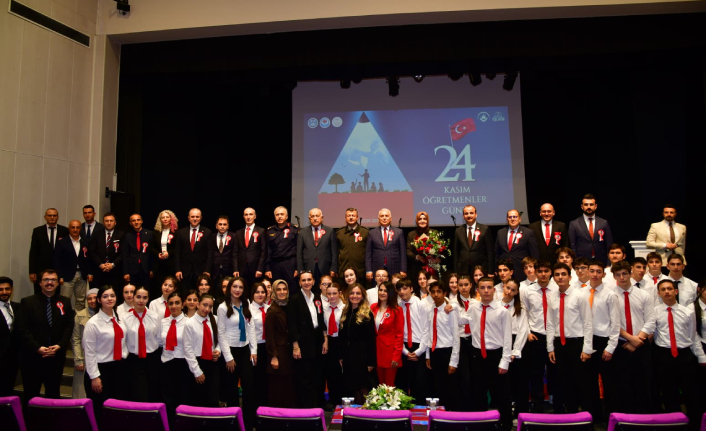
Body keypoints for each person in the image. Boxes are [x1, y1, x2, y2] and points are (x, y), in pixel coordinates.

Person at [15, 269, 74, 404]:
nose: (49, 283)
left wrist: (60, 345)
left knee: (53, 394)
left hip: (55, 356)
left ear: (58, 283)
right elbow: (22, 329)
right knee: (31, 395)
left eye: (53, 280)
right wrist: (37, 348)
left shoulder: (65, 302)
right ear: (40, 283)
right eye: (46, 280)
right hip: (32, 357)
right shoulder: (27, 302)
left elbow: (69, 326)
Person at [652, 280, 705, 428]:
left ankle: (695, 424)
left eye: (670, 288)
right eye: (663, 289)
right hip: (663, 355)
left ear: (676, 291)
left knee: (691, 391)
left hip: (684, 355)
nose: (667, 292)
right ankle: (673, 424)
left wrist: (701, 356)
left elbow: (693, 336)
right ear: (659, 293)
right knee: (669, 392)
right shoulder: (654, 312)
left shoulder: (688, 312)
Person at [546, 263, 593, 414]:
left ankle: (581, 416)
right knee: (561, 381)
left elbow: (587, 323)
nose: (560, 277)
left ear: (569, 277)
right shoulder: (552, 297)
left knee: (579, 382)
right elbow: (550, 324)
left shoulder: (580, 296)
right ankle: (562, 414)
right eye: (557, 274)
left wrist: (587, 348)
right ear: (554, 278)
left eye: (563, 274)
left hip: (576, 343)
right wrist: (550, 347)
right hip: (559, 344)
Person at [612, 260, 655, 414]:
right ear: (614, 276)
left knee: (643, 382)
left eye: (624, 273)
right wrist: (630, 339)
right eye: (618, 274)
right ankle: (626, 417)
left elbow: (650, 320)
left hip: (641, 343)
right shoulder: (610, 296)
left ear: (630, 273)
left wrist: (638, 340)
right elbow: (611, 323)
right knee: (623, 383)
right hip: (621, 344)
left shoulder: (643, 294)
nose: (622, 277)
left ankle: (644, 416)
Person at [469, 277, 512, 430]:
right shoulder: (473, 308)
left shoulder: (502, 311)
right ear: (478, 290)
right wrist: (451, 307)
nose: (486, 291)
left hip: (496, 356)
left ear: (494, 290)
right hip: (477, 356)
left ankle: (506, 425)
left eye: (489, 287)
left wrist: (505, 361)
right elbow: (463, 320)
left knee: (501, 394)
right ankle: (480, 424)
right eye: (482, 288)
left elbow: (507, 338)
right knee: (478, 392)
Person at [83, 285, 128, 420]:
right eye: (105, 296)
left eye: (112, 296)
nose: (109, 299)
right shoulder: (93, 323)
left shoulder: (120, 319)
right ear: (99, 300)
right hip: (101, 370)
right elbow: (89, 352)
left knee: (117, 411)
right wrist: (94, 376)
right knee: (100, 412)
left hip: (118, 368)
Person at [217, 277, 256, 426]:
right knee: (231, 390)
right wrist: (228, 357)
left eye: (240, 287)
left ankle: (248, 423)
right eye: (235, 287)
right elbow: (221, 333)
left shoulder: (247, 304)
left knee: (249, 387)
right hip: (230, 351)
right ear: (230, 288)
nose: (237, 290)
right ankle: (234, 424)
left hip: (245, 350)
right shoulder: (222, 307)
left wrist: (254, 350)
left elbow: (251, 327)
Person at [584, 260, 620, 422]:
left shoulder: (610, 295)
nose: (595, 274)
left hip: (604, 341)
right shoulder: (581, 293)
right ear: (587, 272)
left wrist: (610, 347)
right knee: (589, 382)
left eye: (598, 272)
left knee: (610, 383)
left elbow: (615, 323)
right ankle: (593, 417)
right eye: (592, 271)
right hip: (587, 341)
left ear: (604, 275)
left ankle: (610, 418)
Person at [519, 260, 557, 412]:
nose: (543, 274)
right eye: (540, 271)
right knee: (536, 373)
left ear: (550, 272)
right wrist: (528, 332)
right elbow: (524, 313)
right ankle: (537, 405)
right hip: (536, 336)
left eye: (546, 271)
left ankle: (557, 404)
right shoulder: (528, 291)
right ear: (535, 272)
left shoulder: (557, 289)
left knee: (556, 372)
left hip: (554, 336)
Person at [287, 271, 328, 408]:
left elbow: (321, 320)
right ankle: (306, 408)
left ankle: (317, 405)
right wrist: (295, 346)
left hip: (317, 341)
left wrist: (325, 339)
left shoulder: (317, 297)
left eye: (309, 279)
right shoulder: (294, 299)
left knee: (317, 375)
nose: (306, 282)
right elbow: (292, 324)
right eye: (303, 280)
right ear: (299, 282)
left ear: (313, 281)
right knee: (305, 377)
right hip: (302, 343)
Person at [424, 280, 460, 411]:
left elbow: (456, 337)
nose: (435, 295)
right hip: (434, 351)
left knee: (450, 388)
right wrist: (428, 355)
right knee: (437, 386)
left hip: (447, 352)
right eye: (433, 292)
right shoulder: (430, 310)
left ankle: (451, 415)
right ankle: (439, 415)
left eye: (438, 292)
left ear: (444, 293)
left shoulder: (450, 310)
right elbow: (429, 333)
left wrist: (454, 361)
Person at [338, 283, 376, 404]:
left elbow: (371, 339)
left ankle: (366, 412)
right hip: (348, 356)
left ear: (362, 296)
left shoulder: (367, 314)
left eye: (358, 293)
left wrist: (371, 362)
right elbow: (342, 337)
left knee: (363, 386)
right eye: (352, 293)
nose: (355, 296)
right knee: (353, 386)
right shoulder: (345, 312)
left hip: (362, 355)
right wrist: (341, 356)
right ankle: (357, 412)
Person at [124, 285, 161, 402]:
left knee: (153, 393)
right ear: (133, 297)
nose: (141, 300)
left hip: (152, 358)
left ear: (148, 299)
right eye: (138, 297)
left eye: (144, 298)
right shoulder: (125, 318)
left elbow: (158, 337)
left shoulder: (154, 316)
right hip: (134, 360)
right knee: (139, 394)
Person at [395, 278, 430, 402]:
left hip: (419, 346)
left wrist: (419, 351)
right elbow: (397, 330)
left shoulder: (421, 304)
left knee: (419, 383)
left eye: (405, 288)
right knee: (403, 381)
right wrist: (404, 351)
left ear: (411, 289)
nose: (402, 292)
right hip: (403, 346)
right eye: (399, 289)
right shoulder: (398, 306)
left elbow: (426, 329)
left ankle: (419, 409)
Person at [499, 279, 530, 416]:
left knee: (520, 382)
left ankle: (520, 413)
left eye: (513, 290)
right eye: (508, 288)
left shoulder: (520, 308)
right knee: (503, 382)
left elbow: (523, 330)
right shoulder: (496, 305)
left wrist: (515, 351)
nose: (509, 292)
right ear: (503, 287)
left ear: (517, 292)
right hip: (500, 343)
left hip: (517, 343)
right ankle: (503, 413)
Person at [184, 294, 221, 408]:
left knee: (213, 399)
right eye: (204, 305)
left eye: (210, 306)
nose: (207, 309)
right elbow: (188, 349)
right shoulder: (190, 323)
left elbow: (221, 339)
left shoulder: (215, 319)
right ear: (198, 304)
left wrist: (218, 350)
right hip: (197, 362)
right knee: (198, 399)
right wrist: (197, 371)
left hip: (212, 362)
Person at [160, 291, 192, 424]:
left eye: (177, 303)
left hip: (183, 364)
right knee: (168, 401)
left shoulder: (189, 322)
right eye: (171, 303)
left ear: (183, 304)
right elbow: (159, 342)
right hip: (166, 364)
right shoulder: (163, 322)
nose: (174, 306)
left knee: (183, 399)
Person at [265, 279, 295, 407]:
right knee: (278, 387)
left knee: (288, 386)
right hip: (279, 353)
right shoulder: (272, 310)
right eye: (278, 289)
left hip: (289, 353)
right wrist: (274, 356)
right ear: (274, 292)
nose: (282, 292)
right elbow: (269, 336)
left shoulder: (289, 307)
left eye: (284, 289)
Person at [54, 219, 92, 310]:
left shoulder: (85, 242)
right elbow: (57, 260)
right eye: (73, 227)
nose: (75, 230)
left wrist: (89, 273)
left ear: (80, 229)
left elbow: (89, 259)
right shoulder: (62, 242)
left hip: (82, 275)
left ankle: (78, 317)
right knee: (65, 299)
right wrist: (60, 276)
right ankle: (64, 317)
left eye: (77, 227)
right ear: (69, 228)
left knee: (81, 300)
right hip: (66, 276)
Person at [29, 208, 69, 294]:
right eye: (49, 215)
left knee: (57, 293)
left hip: (58, 269)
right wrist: (32, 271)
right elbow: (33, 252)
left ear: (57, 217)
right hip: (41, 268)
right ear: (45, 217)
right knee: (39, 293)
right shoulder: (38, 231)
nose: (52, 217)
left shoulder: (64, 231)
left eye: (54, 215)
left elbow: (67, 252)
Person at [297, 208, 338, 290]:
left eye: (317, 216)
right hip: (308, 266)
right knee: (310, 290)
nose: (315, 218)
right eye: (312, 216)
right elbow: (299, 253)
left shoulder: (330, 231)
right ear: (309, 218)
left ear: (322, 217)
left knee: (326, 290)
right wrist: (300, 270)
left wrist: (333, 268)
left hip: (325, 266)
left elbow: (334, 252)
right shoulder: (302, 232)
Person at [371, 281, 403, 386]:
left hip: (389, 353)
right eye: (380, 290)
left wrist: (396, 356)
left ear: (391, 293)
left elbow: (399, 335)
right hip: (375, 352)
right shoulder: (373, 307)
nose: (382, 293)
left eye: (385, 291)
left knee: (389, 386)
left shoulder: (397, 310)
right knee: (378, 385)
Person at [495, 209, 539, 282]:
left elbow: (534, 254)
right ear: (507, 219)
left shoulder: (528, 233)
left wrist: (535, 269)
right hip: (505, 271)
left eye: (515, 217)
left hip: (521, 270)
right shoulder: (500, 232)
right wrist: (496, 269)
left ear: (519, 219)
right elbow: (496, 253)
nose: (512, 219)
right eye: (510, 217)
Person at [568, 194, 613, 264]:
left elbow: (609, 245)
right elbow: (572, 246)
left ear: (595, 206)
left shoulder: (604, 223)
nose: (589, 207)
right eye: (586, 205)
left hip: (601, 260)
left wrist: (609, 263)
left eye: (591, 204)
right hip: (581, 261)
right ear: (582, 206)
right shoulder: (574, 224)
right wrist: (575, 262)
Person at [175, 208, 213, 290]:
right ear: (188, 218)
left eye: (197, 217)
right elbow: (177, 252)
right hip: (184, 271)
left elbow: (210, 253)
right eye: (192, 217)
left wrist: (207, 270)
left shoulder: (207, 232)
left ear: (201, 218)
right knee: (185, 293)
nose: (195, 219)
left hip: (201, 271)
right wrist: (178, 269)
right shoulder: (181, 232)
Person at [366, 208, 407, 281]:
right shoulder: (372, 233)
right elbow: (368, 253)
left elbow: (403, 253)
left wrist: (403, 269)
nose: (384, 218)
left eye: (386, 216)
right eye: (382, 216)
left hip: (395, 267)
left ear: (390, 218)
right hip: (377, 267)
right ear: (378, 219)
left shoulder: (399, 232)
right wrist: (368, 270)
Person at [71, 288, 98, 398]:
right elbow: (76, 339)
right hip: (85, 357)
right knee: (81, 392)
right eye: (89, 299)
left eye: (95, 298)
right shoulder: (80, 315)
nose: (92, 301)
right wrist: (78, 359)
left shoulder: (107, 313)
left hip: (101, 357)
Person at [264, 206, 299, 289]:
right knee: (276, 288)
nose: (279, 216)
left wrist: (298, 268)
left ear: (286, 216)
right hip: (275, 265)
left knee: (292, 288)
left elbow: (299, 250)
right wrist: (267, 269)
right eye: (277, 215)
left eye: (282, 214)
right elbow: (267, 251)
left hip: (290, 264)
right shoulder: (270, 230)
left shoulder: (294, 229)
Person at [453, 205, 494, 275]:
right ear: (463, 216)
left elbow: (490, 252)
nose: (469, 215)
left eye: (471, 213)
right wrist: (455, 272)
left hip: (480, 268)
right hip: (463, 268)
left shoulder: (484, 229)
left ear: (476, 214)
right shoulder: (458, 230)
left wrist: (490, 271)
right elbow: (455, 253)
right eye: (466, 213)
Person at [88, 212, 124, 290]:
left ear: (115, 222)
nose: (109, 223)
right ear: (103, 223)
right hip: (99, 271)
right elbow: (92, 252)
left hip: (115, 271)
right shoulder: (96, 234)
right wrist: (100, 264)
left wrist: (113, 264)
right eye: (106, 221)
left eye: (111, 221)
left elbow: (123, 253)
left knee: (115, 293)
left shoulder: (121, 234)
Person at [234, 208, 268, 287]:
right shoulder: (238, 233)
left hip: (255, 268)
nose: (248, 217)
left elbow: (263, 252)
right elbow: (235, 252)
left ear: (255, 216)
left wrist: (260, 268)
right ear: (243, 217)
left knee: (254, 289)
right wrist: (235, 269)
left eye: (250, 214)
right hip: (241, 268)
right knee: (242, 289)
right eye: (246, 215)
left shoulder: (261, 231)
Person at [249, 282, 270, 410]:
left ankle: (265, 409)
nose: (260, 294)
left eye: (262, 292)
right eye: (257, 292)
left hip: (267, 348)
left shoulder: (269, 308)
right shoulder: (248, 309)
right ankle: (255, 410)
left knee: (265, 380)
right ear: (252, 294)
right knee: (255, 380)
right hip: (254, 348)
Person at [336, 208, 368, 288]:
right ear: (345, 217)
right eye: (348, 216)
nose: (351, 217)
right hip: (343, 270)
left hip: (360, 271)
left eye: (353, 215)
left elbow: (368, 253)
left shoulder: (365, 232)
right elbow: (336, 252)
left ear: (357, 217)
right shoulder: (339, 233)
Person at [0, 276, 20, 397]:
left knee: (8, 390)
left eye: (7, 289)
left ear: (11, 290)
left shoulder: (18, 307)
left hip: (13, 358)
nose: (4, 292)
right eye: (1, 289)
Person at [123, 214, 154, 288]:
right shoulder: (127, 236)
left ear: (142, 221)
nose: (136, 222)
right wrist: (126, 272)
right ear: (130, 223)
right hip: (133, 269)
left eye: (138, 220)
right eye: (133, 220)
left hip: (146, 269)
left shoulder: (150, 234)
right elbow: (125, 255)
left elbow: (152, 253)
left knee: (146, 290)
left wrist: (152, 269)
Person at [152, 210, 179, 298]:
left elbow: (177, 248)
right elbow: (152, 247)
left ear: (171, 219)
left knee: (171, 285)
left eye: (167, 217)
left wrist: (169, 253)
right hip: (159, 264)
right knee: (158, 286)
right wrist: (158, 254)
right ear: (160, 219)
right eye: (163, 217)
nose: (165, 219)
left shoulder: (176, 232)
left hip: (171, 263)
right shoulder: (156, 232)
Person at [407, 211, 439, 280]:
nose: (422, 221)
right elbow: (408, 251)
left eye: (424, 219)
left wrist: (436, 258)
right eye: (419, 219)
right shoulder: (411, 234)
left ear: (427, 221)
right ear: (416, 221)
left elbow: (440, 250)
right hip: (416, 268)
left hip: (431, 267)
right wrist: (417, 257)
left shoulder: (434, 233)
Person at [210, 216, 236, 283]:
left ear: (228, 226)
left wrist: (235, 269)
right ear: (216, 226)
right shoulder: (211, 237)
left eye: (224, 224)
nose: (222, 226)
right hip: (214, 270)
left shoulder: (234, 236)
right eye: (220, 224)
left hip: (229, 270)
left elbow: (235, 254)